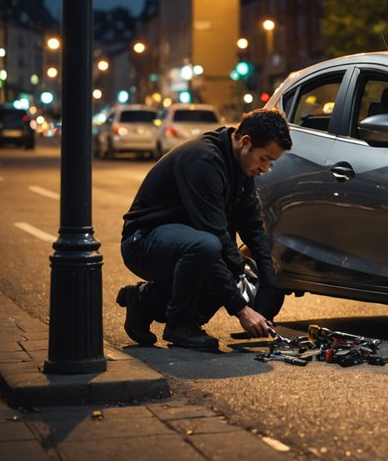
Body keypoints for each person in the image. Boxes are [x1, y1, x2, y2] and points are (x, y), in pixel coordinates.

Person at [116, 108, 291, 350]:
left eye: (271, 163)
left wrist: (268, 287)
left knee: (229, 261)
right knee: (212, 251)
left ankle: (144, 302)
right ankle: (180, 325)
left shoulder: (242, 168)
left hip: (185, 242)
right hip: (143, 242)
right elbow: (215, 238)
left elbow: (253, 228)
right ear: (245, 142)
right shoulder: (203, 160)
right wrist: (241, 310)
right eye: (264, 159)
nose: (265, 169)